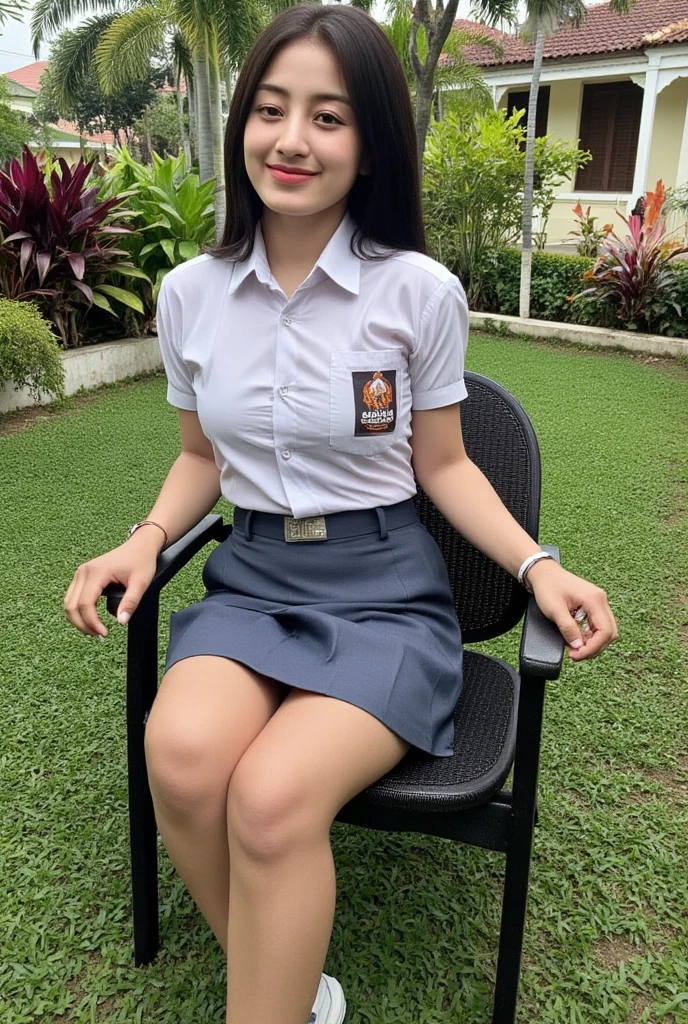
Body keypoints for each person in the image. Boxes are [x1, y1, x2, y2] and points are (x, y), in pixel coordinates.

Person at [63, 5, 618, 1023]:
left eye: (328, 117)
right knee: (182, 760)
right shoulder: (190, 293)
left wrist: (538, 565)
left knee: (271, 798)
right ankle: (291, 985)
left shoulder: (414, 292)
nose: (290, 139)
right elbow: (200, 457)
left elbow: (442, 466)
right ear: (241, 126)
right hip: (253, 581)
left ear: (368, 147)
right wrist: (142, 539)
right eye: (269, 110)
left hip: (384, 595)